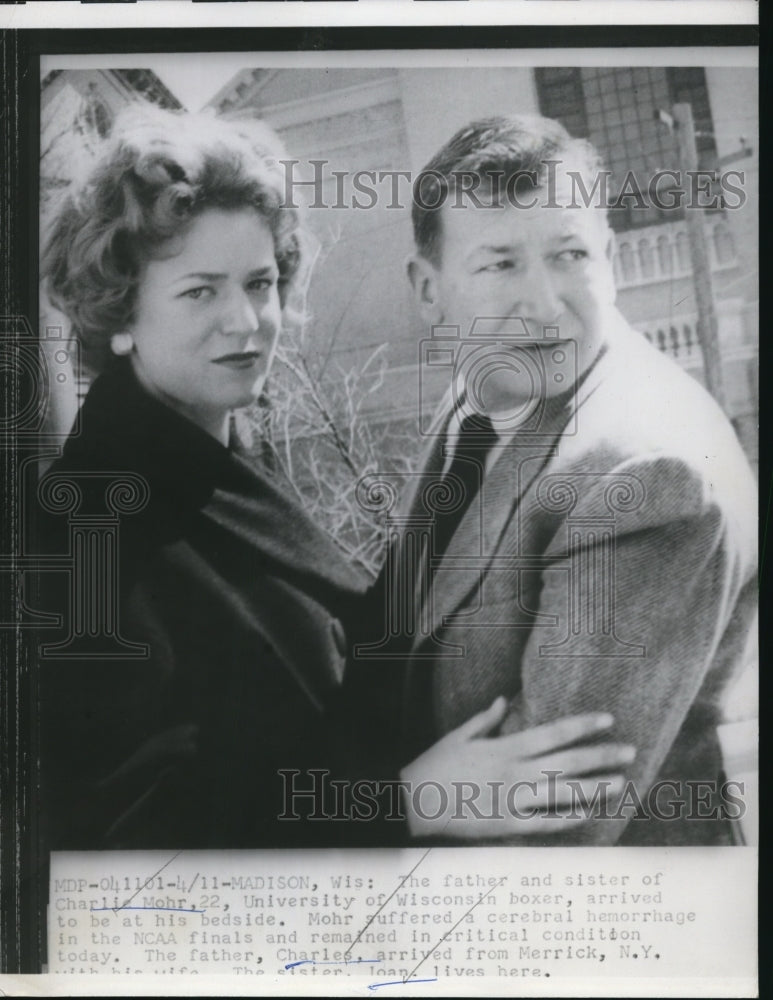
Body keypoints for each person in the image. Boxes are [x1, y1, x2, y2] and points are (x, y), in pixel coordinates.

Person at [36, 104, 633, 851]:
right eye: (200, 291)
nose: (246, 320)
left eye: (260, 283)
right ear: (118, 308)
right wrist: (406, 803)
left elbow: (341, 651)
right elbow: (123, 835)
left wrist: (483, 440)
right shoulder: (83, 528)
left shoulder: (221, 457)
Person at [379, 114, 757, 845]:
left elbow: (547, 827)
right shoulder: (489, 387)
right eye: (500, 264)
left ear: (608, 257)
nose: (545, 301)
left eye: (569, 254)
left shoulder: (646, 477)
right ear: (429, 292)